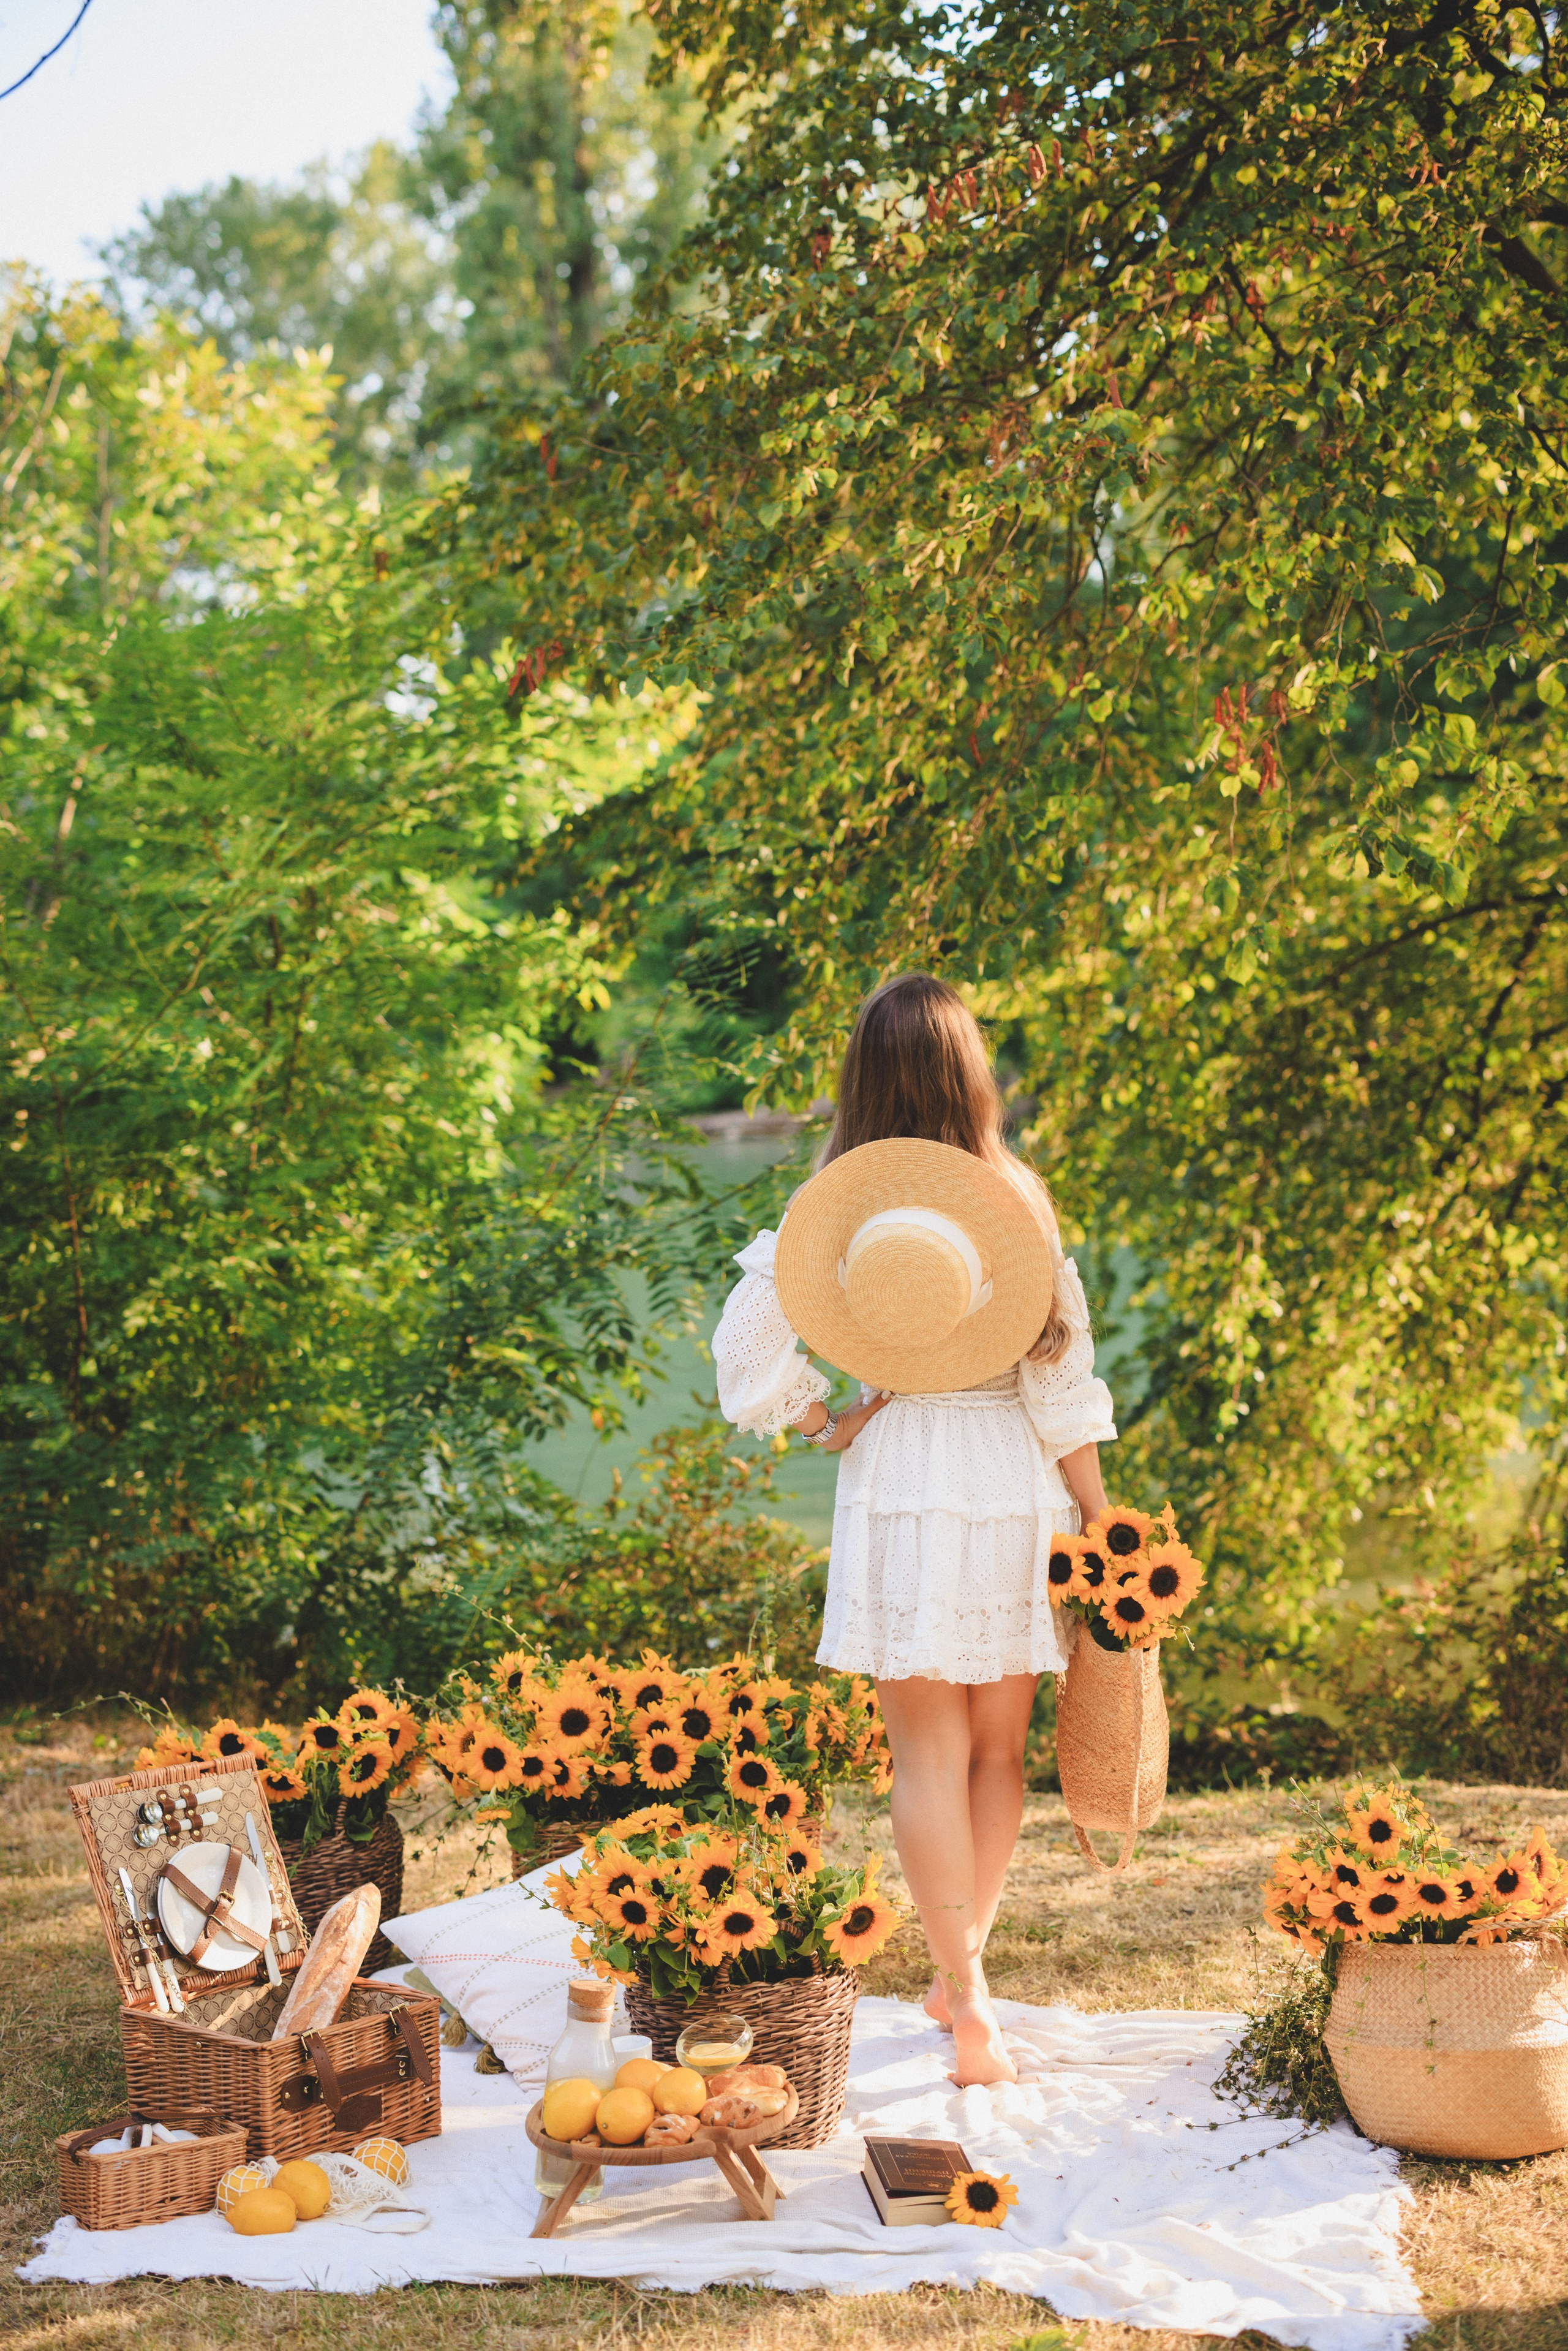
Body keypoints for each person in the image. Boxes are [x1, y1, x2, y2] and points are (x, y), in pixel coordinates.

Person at [713, 974, 1115, 2086]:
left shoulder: (839, 1207)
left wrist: (825, 1420)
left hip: (900, 1473)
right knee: (997, 1750)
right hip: (1012, 1478)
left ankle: (966, 1992)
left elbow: (747, 1349)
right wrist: (1104, 1523)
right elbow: (1061, 1383)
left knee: (925, 1752)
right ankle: (960, 1978)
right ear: (969, 1073)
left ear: (863, 1077)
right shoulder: (1014, 1197)